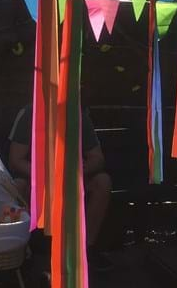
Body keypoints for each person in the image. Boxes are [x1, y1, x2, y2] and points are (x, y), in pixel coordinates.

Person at [7, 104, 113, 270]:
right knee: (16, 187)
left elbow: (97, 158)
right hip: (36, 180)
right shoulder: (30, 114)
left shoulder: (77, 114)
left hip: (71, 180)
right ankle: (19, 253)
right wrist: (47, 175)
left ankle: (86, 249)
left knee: (102, 182)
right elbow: (16, 160)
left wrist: (74, 170)